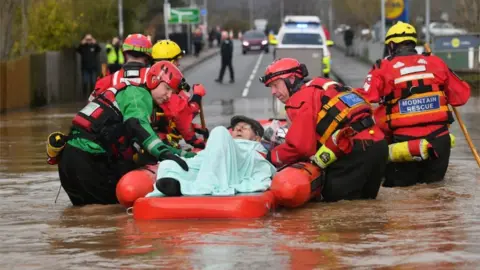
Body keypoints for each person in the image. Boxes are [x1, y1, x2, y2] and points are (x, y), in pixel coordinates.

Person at [58, 61, 195, 206]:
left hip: (71, 160)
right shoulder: (138, 94)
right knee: (108, 214)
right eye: (166, 88)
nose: (168, 96)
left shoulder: (131, 93)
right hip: (88, 161)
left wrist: (183, 155)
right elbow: (136, 125)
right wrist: (164, 154)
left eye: (172, 92)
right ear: (154, 80)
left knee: (86, 216)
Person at [358, 22, 471, 187]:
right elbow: (461, 97)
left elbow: (365, 99)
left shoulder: (382, 67)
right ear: (413, 42)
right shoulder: (436, 62)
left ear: (390, 45)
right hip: (440, 141)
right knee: (434, 194)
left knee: (403, 199)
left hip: (405, 144)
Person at [260, 58, 388, 202]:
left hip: (354, 151)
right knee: (367, 208)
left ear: (291, 79)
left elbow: (301, 148)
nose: (273, 92)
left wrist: (271, 156)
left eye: (275, 85)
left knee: (337, 210)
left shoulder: (299, 100)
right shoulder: (321, 86)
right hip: (378, 146)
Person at [149, 115, 276, 197]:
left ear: (257, 138)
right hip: (212, 161)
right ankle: (178, 186)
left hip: (233, 164)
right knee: (169, 164)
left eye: (244, 128)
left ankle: (204, 187)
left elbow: (262, 168)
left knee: (219, 131)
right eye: (236, 128)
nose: (238, 130)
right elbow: (199, 160)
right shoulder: (221, 142)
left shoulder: (253, 150)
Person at [151, 40, 208, 149]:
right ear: (169, 63)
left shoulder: (152, 80)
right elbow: (182, 113)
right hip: (163, 144)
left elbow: (171, 118)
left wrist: (193, 127)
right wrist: (197, 96)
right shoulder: (165, 89)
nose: (179, 63)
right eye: (176, 60)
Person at [88, 33, 153, 102]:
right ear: (147, 56)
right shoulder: (155, 78)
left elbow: (91, 105)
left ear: (125, 54)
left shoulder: (107, 81)